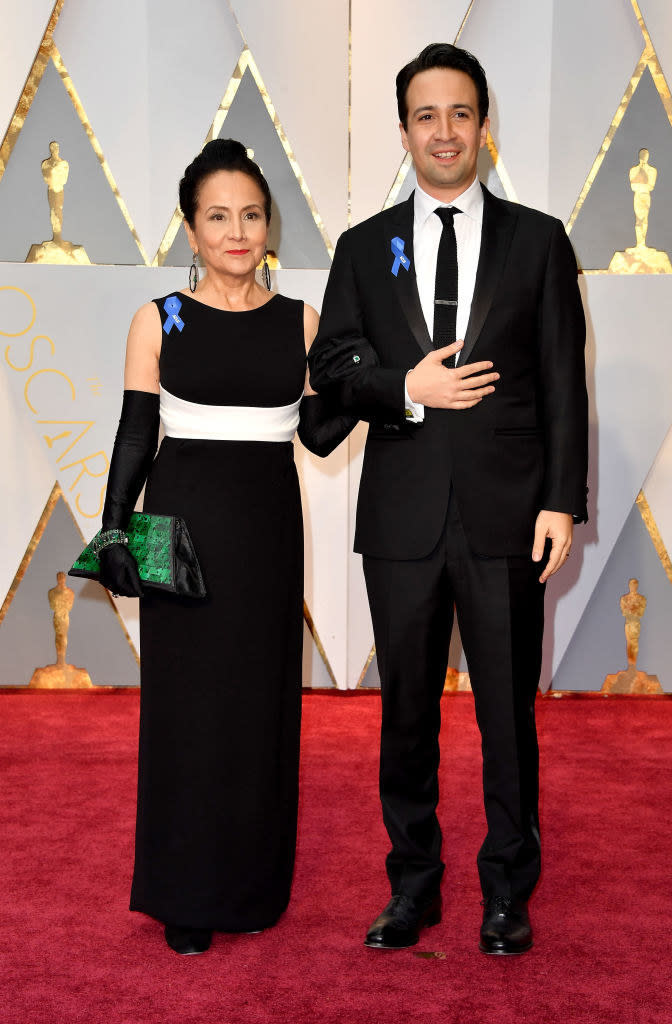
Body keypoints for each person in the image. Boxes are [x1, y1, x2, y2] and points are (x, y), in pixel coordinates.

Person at [309, 43, 588, 955]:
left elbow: (559, 378)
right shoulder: (361, 246)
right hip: (401, 516)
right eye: (425, 115)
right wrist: (405, 387)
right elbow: (335, 367)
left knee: (508, 715)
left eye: (460, 113)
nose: (444, 131)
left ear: (484, 127)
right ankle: (414, 886)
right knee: (407, 717)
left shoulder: (539, 240)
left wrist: (560, 501)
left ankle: (508, 888)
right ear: (404, 131)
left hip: (510, 514)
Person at [96, 138, 350, 955]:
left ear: (268, 225)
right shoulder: (158, 317)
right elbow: (137, 435)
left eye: (250, 214)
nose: (236, 231)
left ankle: (250, 886)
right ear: (190, 228)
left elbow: (314, 436)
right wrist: (112, 530)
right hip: (175, 523)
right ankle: (183, 894)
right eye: (217, 216)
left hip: (268, 528)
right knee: (184, 709)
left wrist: (362, 387)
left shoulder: (299, 320)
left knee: (259, 704)